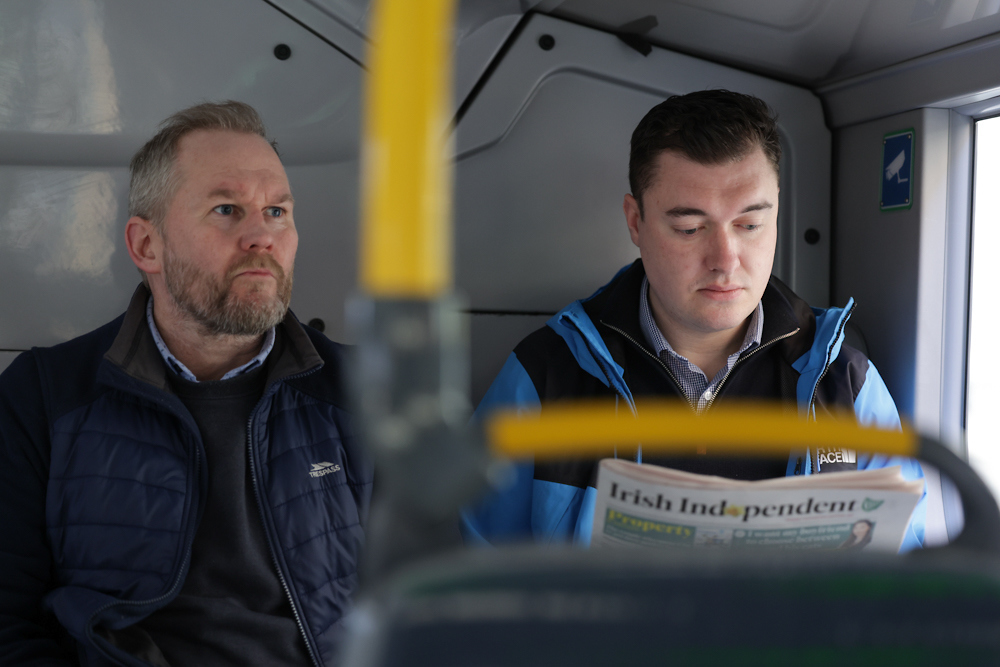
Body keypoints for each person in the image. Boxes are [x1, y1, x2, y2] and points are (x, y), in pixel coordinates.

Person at [462, 90, 924, 551]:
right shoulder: (545, 377)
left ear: (777, 212)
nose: (725, 260)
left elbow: (910, 571)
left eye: (749, 225)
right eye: (690, 229)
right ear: (635, 221)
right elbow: (466, 571)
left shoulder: (846, 384)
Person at [0, 102, 372, 665]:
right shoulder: (44, 398)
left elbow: (432, 610)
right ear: (146, 246)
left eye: (276, 211)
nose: (261, 237)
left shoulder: (363, 394)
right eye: (227, 209)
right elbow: (6, 624)